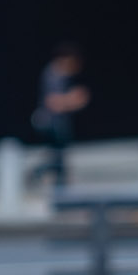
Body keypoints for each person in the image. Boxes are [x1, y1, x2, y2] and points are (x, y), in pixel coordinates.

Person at [30, 42, 89, 188]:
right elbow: (52, 103)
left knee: (59, 160)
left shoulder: (60, 75)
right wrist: (73, 99)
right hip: (52, 124)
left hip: (57, 123)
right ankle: (39, 176)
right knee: (57, 160)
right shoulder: (53, 75)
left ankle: (58, 188)